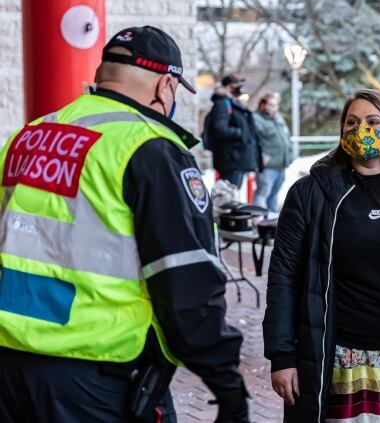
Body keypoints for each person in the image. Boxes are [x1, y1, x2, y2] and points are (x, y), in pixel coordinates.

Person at [0, 26, 248, 422]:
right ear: (166, 85)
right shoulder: (149, 148)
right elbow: (185, 280)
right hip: (94, 373)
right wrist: (225, 383)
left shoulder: (27, 137)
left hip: (9, 365)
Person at [263, 88, 380, 422]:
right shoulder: (309, 193)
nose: (360, 130)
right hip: (333, 360)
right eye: (352, 122)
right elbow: (283, 277)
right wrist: (282, 356)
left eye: (373, 121)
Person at [207, 74, 259, 187]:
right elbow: (219, 129)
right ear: (229, 86)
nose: (240, 87)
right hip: (230, 160)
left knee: (233, 194)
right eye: (238, 84)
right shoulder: (222, 104)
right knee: (227, 196)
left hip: (237, 159)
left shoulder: (233, 103)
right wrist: (240, 133)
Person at [253, 92, 294, 212]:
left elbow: (286, 136)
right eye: (270, 104)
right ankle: (258, 219)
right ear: (262, 104)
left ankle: (273, 220)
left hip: (281, 164)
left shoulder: (277, 118)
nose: (273, 108)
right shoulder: (256, 119)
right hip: (267, 166)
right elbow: (254, 141)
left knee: (274, 195)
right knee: (262, 193)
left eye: (275, 105)